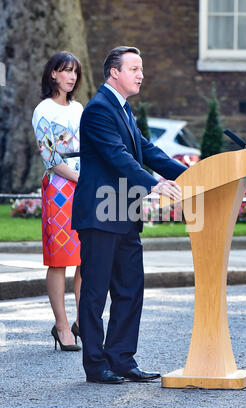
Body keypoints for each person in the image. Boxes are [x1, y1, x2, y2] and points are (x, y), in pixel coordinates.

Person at [72, 46, 187, 384]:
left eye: (141, 68)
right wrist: (154, 184)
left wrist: (189, 173)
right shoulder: (98, 110)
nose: (141, 74)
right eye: (134, 68)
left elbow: (146, 149)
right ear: (114, 73)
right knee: (94, 293)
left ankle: (122, 359)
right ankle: (96, 365)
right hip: (100, 215)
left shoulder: (123, 108)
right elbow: (117, 156)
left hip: (124, 213)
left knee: (130, 289)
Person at [32, 51, 83, 351]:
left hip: (85, 187)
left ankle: (83, 322)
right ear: (52, 74)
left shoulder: (79, 109)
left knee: (86, 258)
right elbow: (50, 157)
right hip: (60, 190)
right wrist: (80, 179)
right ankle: (62, 327)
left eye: (74, 72)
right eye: (65, 71)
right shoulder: (43, 111)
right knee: (60, 260)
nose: (71, 76)